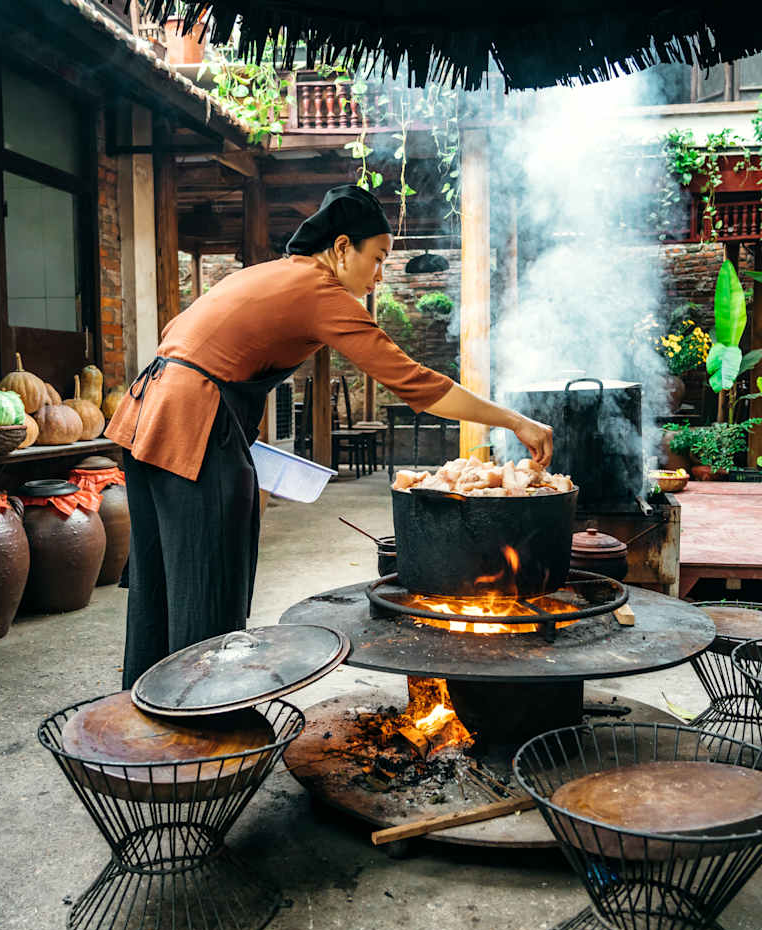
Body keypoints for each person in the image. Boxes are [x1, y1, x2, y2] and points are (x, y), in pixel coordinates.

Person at [105, 185, 554, 686]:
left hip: (145, 414)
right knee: (207, 584)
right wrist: (515, 420)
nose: (381, 274)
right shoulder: (320, 291)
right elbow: (417, 385)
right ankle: (201, 727)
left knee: (158, 584)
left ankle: (140, 726)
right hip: (191, 424)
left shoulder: (273, 274)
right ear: (342, 248)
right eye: (378, 258)